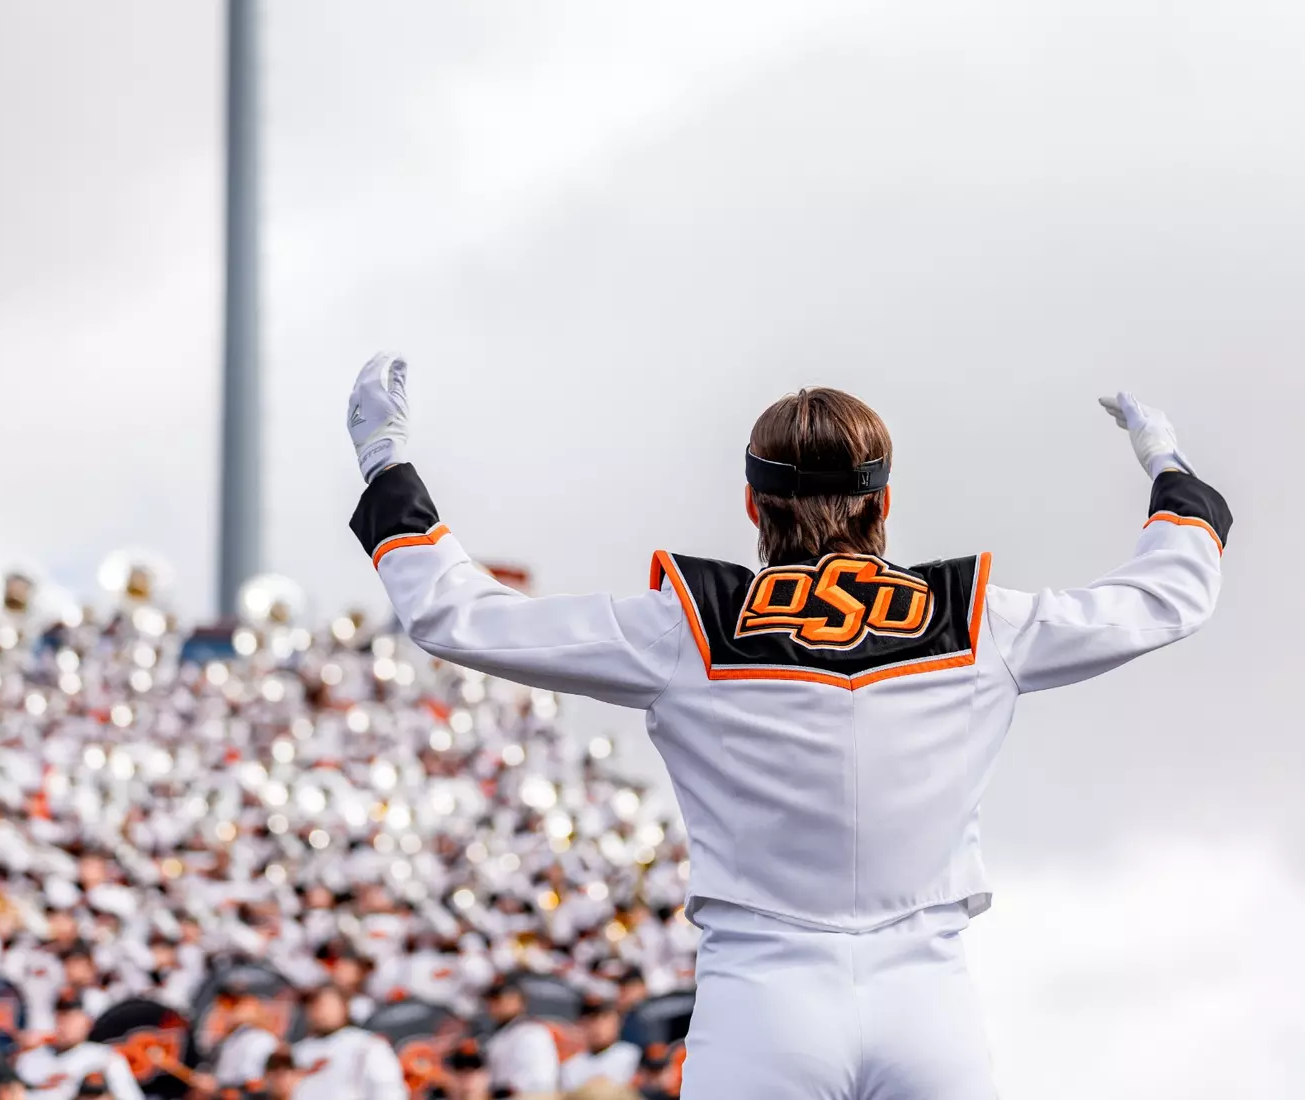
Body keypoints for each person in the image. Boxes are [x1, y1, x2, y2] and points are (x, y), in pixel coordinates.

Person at [344, 357, 1230, 1098]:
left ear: (752, 505)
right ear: (883, 506)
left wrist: (388, 466)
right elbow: (1167, 597)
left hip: (760, 1000)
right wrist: (1170, 468)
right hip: (931, 1000)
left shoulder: (683, 624)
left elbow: (456, 615)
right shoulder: (980, 620)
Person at [14, 992, 143, 1100]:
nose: (66, 1026)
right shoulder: (29, 1059)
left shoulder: (105, 1058)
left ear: (87, 1023)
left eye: (73, 1019)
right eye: (62, 1018)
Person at [287, 986, 403, 1099]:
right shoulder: (297, 1052)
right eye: (312, 1005)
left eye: (325, 1004)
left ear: (344, 1007)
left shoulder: (366, 1044)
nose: (318, 1010)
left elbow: (387, 1087)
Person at [479, 977, 559, 1097]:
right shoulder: (501, 1034)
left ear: (519, 1001)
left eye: (498, 998)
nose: (492, 1004)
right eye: (490, 999)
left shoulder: (532, 1033)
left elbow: (540, 1082)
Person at [559, 997, 639, 1091]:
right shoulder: (570, 1067)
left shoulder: (633, 1055)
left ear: (617, 1022)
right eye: (592, 1020)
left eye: (605, 1018)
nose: (599, 1026)